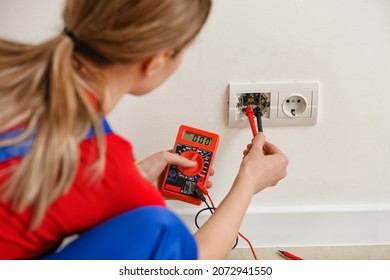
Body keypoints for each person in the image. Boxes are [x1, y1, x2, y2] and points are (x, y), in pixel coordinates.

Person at [0, 0, 288, 260]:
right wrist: (248, 181)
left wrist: (134, 182)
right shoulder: (100, 160)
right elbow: (196, 263)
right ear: (156, 61)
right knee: (161, 232)